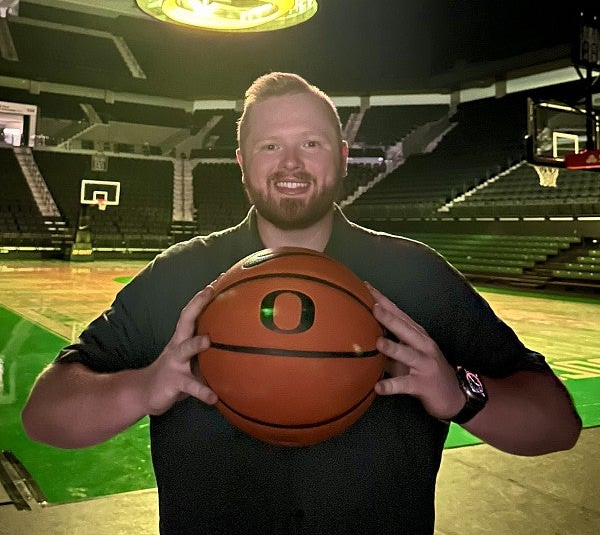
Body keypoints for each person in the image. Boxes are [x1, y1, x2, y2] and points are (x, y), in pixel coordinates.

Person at [22, 72, 582, 535]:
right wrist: (143, 386)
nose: (290, 164)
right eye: (270, 146)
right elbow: (44, 414)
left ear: (341, 157)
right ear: (242, 161)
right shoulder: (180, 277)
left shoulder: (416, 276)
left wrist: (460, 393)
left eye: (309, 144)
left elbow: (557, 424)